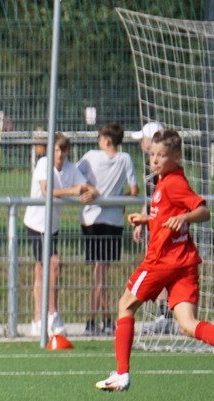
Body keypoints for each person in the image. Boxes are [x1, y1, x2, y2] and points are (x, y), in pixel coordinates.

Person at [98, 129, 214, 391]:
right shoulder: (163, 182)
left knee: (125, 305)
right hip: (184, 263)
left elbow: (203, 211)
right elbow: (167, 216)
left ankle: (121, 373)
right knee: (187, 325)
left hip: (161, 261)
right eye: (153, 154)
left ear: (176, 157)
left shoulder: (173, 183)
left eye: (162, 155)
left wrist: (185, 217)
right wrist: (147, 219)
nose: (155, 160)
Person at [22, 132, 97, 337]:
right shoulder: (43, 164)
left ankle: (38, 320)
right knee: (54, 263)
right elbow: (46, 191)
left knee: (42, 270)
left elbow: (88, 187)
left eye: (63, 150)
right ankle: (52, 314)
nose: (59, 154)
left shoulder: (70, 168)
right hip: (37, 223)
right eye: (56, 150)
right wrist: (74, 191)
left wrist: (91, 192)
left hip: (52, 226)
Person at [77, 122, 139, 336]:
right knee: (101, 270)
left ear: (107, 140)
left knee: (100, 270)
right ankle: (101, 318)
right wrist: (118, 199)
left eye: (100, 138)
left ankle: (97, 319)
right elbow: (134, 190)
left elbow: (74, 174)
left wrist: (90, 189)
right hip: (113, 220)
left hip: (92, 218)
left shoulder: (91, 156)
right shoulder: (125, 159)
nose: (98, 141)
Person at [132, 121, 173, 334]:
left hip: (162, 226)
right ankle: (164, 314)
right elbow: (151, 198)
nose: (141, 142)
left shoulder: (163, 169)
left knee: (161, 269)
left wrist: (150, 218)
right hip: (153, 222)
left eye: (144, 138)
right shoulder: (151, 166)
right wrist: (143, 217)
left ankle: (166, 315)